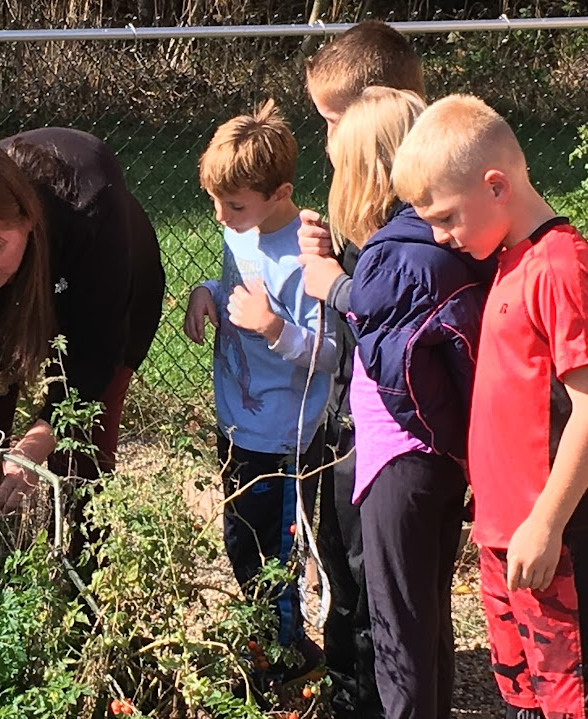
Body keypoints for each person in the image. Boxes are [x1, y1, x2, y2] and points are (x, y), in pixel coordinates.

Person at [394, 94, 588, 719]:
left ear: (496, 185)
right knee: (522, 694)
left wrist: (547, 522)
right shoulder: (506, 259)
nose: (441, 237)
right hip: (505, 536)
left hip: (549, 539)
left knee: (568, 696)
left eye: (447, 217)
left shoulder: (558, 263)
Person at [0, 127, 164, 581]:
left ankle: (83, 583)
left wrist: (33, 450)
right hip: (18, 295)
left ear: (27, 218)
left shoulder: (89, 202)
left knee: (79, 454)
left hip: (110, 295)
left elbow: (95, 357)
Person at [318, 86, 489, 719]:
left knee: (399, 639)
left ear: (362, 172)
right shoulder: (444, 237)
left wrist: (337, 288)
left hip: (401, 460)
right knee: (429, 620)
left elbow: (393, 362)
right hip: (439, 461)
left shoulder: (394, 254)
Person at [183, 99, 337, 686]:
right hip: (238, 427)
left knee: (278, 558)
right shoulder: (240, 233)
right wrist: (205, 290)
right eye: (215, 202)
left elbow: (330, 354)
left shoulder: (308, 256)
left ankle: (287, 659)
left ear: (281, 193)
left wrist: (274, 329)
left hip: (284, 441)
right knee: (241, 545)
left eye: (236, 205)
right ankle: (264, 641)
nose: (222, 216)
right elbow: (234, 289)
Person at [298, 21, 427, 717]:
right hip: (350, 417)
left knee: (373, 580)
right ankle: (348, 683)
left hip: (384, 434)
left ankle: (369, 696)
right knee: (347, 570)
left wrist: (334, 282)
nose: (326, 140)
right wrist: (336, 258)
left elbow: (384, 311)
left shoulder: (422, 209)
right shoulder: (375, 192)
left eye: (332, 121)